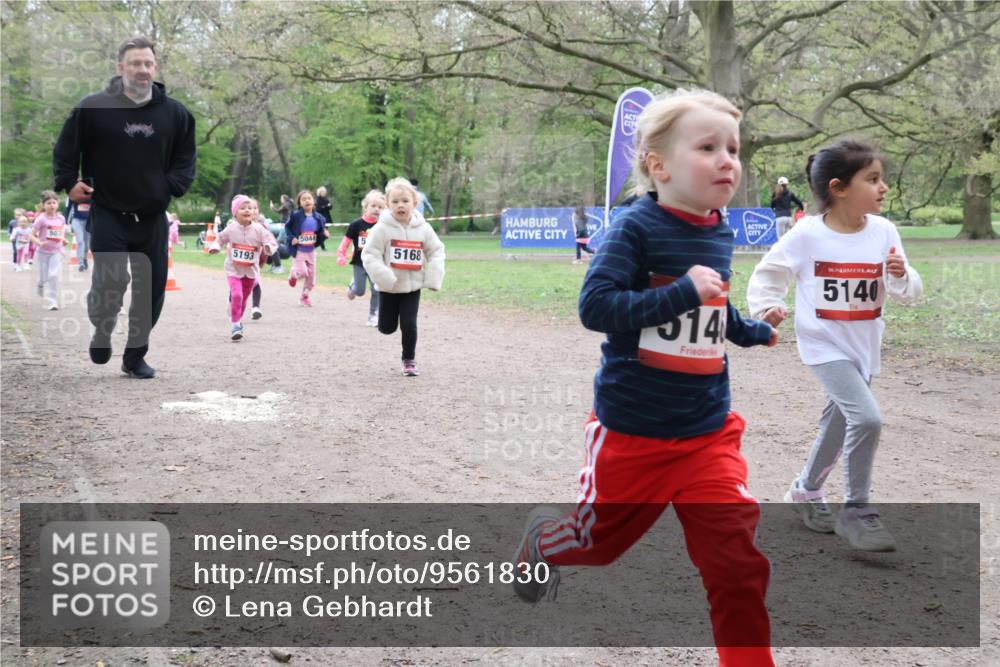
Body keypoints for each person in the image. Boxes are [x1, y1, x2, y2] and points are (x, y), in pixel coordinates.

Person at [510, 89, 778, 667]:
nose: (728, 159)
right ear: (659, 166)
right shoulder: (633, 227)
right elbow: (597, 308)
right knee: (594, 546)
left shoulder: (718, 228)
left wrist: (752, 330)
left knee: (737, 565)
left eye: (734, 148)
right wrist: (683, 291)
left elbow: (713, 305)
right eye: (708, 147)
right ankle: (540, 541)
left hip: (708, 432)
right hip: (633, 435)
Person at [747, 139, 923, 552]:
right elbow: (768, 273)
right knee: (866, 419)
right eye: (874, 179)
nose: (884, 188)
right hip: (824, 347)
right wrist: (767, 307)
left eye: (883, 179)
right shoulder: (807, 234)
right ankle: (857, 512)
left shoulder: (884, 231)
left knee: (839, 423)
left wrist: (901, 274)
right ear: (839, 187)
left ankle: (806, 491)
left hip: (864, 348)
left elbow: (908, 292)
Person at [52, 35, 196, 379]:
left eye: (148, 63)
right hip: (108, 212)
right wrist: (69, 182)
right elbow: (65, 149)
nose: (142, 69)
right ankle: (102, 329)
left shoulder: (175, 113)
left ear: (155, 67)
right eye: (135, 63)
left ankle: (135, 356)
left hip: (151, 216)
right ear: (121, 68)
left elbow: (185, 159)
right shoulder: (93, 107)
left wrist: (169, 187)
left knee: (151, 291)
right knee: (109, 284)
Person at [362, 177, 445, 376]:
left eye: (405, 201)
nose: (401, 205)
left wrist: (433, 276)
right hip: (389, 287)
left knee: (409, 324)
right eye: (395, 202)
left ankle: (409, 360)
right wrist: (383, 276)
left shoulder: (423, 228)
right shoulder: (381, 228)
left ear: (415, 204)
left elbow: (436, 251)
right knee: (387, 328)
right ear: (388, 205)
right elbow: (370, 254)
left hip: (412, 287)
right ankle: (385, 321)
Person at [209, 195, 276, 340]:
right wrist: (215, 247)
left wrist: (268, 248)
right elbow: (220, 238)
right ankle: (235, 325)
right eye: (243, 208)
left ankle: (236, 316)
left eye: (250, 208)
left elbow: (270, 241)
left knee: (244, 299)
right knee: (237, 295)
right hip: (233, 269)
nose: (247, 211)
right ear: (235, 212)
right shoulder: (231, 228)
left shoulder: (259, 229)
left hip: (251, 271)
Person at [338, 189, 385, 326]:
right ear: (366, 207)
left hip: (376, 263)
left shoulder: (383, 226)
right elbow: (346, 241)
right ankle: (353, 286)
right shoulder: (356, 224)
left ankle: (373, 315)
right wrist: (341, 254)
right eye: (374, 206)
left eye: (380, 207)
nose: (377, 209)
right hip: (360, 263)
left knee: (377, 289)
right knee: (360, 291)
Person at [285, 189, 329, 307]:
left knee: (311, 278)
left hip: (311, 251)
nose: (307, 201)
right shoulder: (295, 216)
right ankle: (293, 275)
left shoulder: (319, 217)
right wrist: (292, 238)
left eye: (309, 198)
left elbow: (320, 232)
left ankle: (304, 297)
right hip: (299, 250)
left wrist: (324, 234)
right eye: (303, 199)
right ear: (300, 203)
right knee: (303, 272)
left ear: (313, 201)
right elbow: (287, 228)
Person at [29, 191, 70, 310]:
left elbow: (61, 230)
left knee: (53, 275)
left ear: (57, 204)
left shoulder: (61, 218)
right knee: (43, 277)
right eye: (48, 203)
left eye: (54, 202)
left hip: (56, 251)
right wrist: (39, 243)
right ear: (43, 205)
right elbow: (31, 235)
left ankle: (53, 302)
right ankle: (40, 284)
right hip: (42, 252)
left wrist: (63, 239)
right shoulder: (41, 219)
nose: (52, 205)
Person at [65, 196, 92, 271]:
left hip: (89, 221)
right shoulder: (74, 192)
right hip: (76, 220)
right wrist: (66, 223)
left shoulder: (93, 192)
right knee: (80, 241)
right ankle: (81, 263)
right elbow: (68, 208)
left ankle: (84, 259)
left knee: (87, 244)